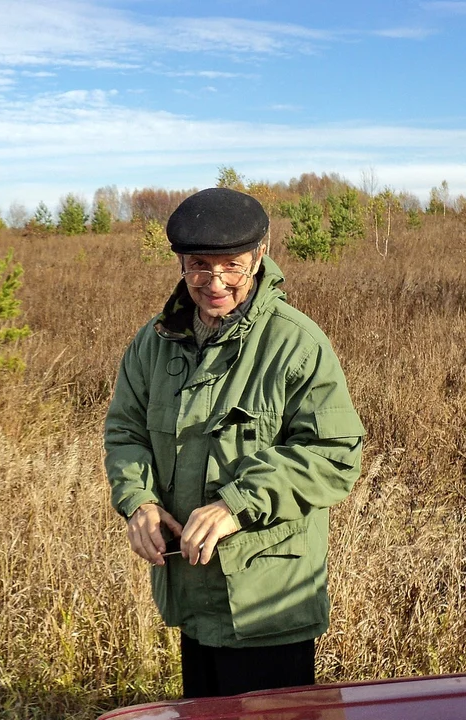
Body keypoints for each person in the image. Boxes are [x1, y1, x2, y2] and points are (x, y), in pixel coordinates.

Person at [104, 187, 364, 698]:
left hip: (270, 604)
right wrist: (140, 502)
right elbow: (125, 431)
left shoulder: (295, 342)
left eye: (232, 266)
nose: (214, 281)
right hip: (191, 597)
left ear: (260, 256)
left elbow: (334, 455)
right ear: (181, 261)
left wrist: (235, 505)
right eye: (200, 265)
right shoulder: (155, 343)